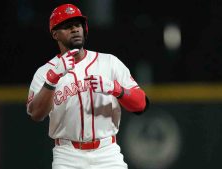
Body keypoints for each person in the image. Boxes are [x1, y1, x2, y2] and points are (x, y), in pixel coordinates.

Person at [26, 3, 149, 169]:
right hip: (67, 155)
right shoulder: (46, 72)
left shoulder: (109, 63)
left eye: (78, 25)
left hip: (107, 152)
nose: (75, 29)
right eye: (68, 26)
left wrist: (116, 89)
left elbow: (141, 105)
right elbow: (35, 114)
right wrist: (52, 80)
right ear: (55, 34)